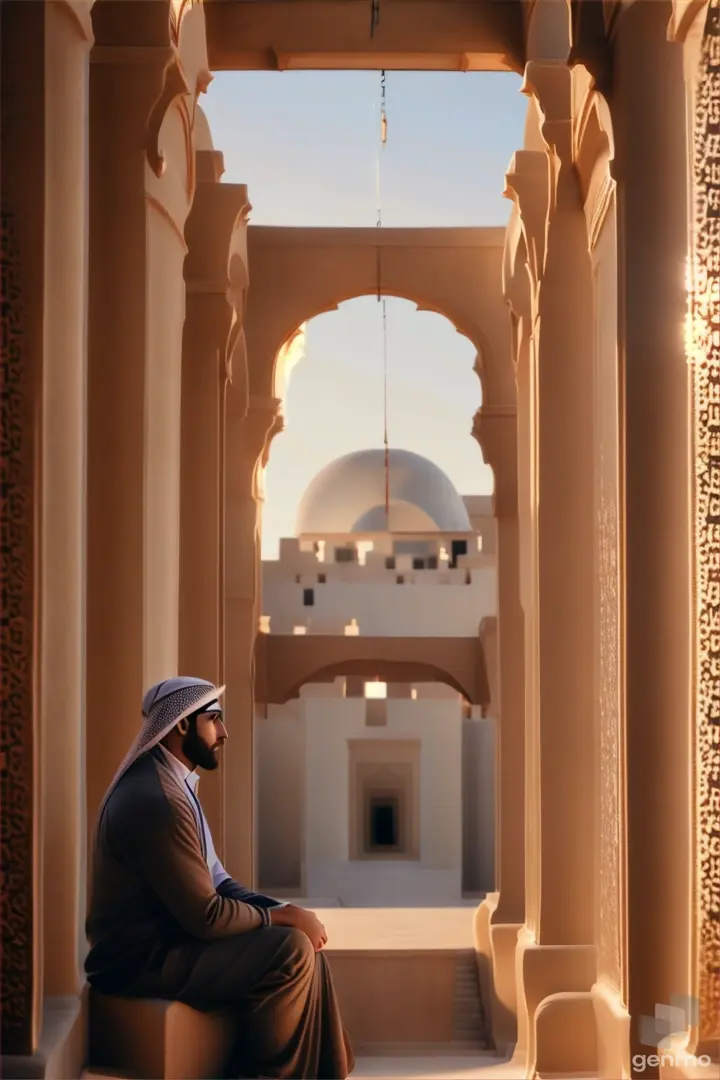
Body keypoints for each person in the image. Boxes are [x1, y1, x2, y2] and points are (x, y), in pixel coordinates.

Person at [85, 676, 354, 1080]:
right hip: (139, 960)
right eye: (214, 720)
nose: (224, 732)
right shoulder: (158, 800)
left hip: (170, 943)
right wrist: (283, 920)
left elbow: (220, 881)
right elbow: (206, 916)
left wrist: (288, 911)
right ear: (181, 725)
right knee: (291, 951)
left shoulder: (175, 785)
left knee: (306, 944)